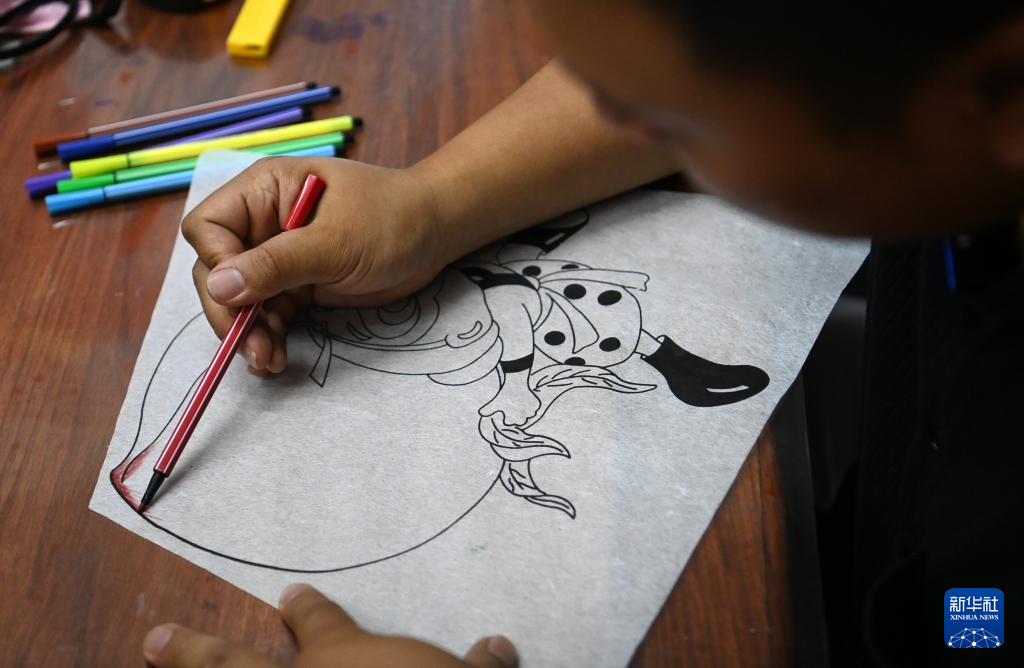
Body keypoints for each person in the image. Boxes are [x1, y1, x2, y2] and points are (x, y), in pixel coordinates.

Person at [144, 2, 1024, 666]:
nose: (607, 115)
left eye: (667, 113)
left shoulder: (992, 580)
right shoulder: (945, 100)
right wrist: (431, 203)